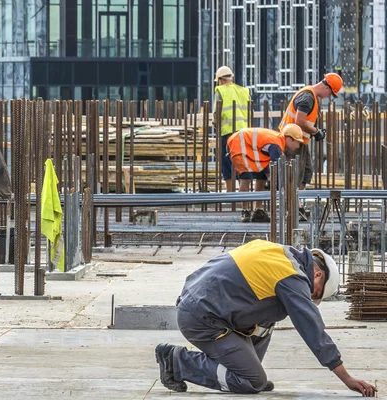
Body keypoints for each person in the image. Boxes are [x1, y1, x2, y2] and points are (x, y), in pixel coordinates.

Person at [155, 240, 377, 397]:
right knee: (251, 381)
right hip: (202, 318)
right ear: (317, 274)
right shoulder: (292, 276)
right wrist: (345, 377)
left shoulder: (280, 254)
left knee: (272, 315)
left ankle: (247, 371)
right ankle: (177, 362)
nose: (311, 296)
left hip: (199, 304)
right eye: (316, 292)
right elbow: (312, 328)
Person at [278, 73, 343, 219]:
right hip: (291, 141)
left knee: (306, 173)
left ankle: (297, 204)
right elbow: (300, 121)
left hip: (299, 140)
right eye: (331, 94)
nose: (329, 97)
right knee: (294, 175)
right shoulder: (308, 97)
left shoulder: (312, 96)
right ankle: (294, 207)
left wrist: (314, 131)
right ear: (327, 88)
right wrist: (316, 132)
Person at [226, 124, 303, 222]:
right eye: (297, 142)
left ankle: (258, 210)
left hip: (250, 149)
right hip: (238, 144)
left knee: (261, 177)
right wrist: (281, 189)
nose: (298, 146)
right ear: (290, 138)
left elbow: (271, 169)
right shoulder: (276, 145)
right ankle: (245, 211)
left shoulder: (278, 142)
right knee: (246, 177)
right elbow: (277, 170)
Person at [213, 66, 250, 194]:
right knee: (241, 162)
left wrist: (216, 124)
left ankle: (230, 194)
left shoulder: (220, 90)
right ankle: (242, 193)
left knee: (227, 163)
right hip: (244, 133)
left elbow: (216, 112)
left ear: (221, 80)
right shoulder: (244, 91)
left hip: (228, 133)